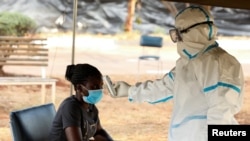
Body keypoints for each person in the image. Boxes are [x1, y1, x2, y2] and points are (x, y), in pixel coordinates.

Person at [105, 6, 245, 141]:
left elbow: (221, 113)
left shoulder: (219, 62)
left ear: (194, 32)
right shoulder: (187, 64)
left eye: (178, 33)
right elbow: (162, 88)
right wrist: (129, 91)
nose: (177, 39)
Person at [49, 63, 114, 141]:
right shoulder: (70, 107)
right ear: (79, 88)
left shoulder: (91, 107)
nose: (99, 90)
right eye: (95, 87)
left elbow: (98, 132)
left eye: (101, 86)